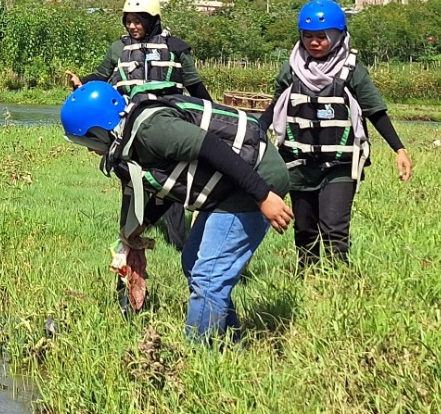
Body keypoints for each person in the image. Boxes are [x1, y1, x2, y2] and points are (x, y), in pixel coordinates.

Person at [61, 80, 293, 341]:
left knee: (208, 277)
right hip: (230, 186)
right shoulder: (131, 140)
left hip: (256, 177)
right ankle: (229, 341)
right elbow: (172, 183)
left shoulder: (152, 130)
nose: (91, 150)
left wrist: (262, 196)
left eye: (88, 141)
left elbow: (210, 147)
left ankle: (199, 357)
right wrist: (142, 226)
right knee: (193, 262)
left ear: (101, 128)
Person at [266, 0, 413, 267]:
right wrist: (249, 135)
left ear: (338, 36)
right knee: (305, 231)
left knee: (334, 228)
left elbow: (374, 111)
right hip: (298, 162)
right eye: (308, 36)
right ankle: (308, 279)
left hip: (340, 164)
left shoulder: (352, 70)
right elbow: (274, 108)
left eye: (322, 37)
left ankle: (338, 280)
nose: (314, 43)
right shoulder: (291, 68)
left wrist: (399, 149)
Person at [66, 0, 213, 100]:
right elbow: (100, 76)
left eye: (137, 21)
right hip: (129, 111)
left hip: (169, 111)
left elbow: (194, 86)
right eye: (128, 21)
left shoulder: (175, 46)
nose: (131, 26)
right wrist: (82, 82)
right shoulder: (118, 47)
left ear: (150, 20)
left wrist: (211, 111)